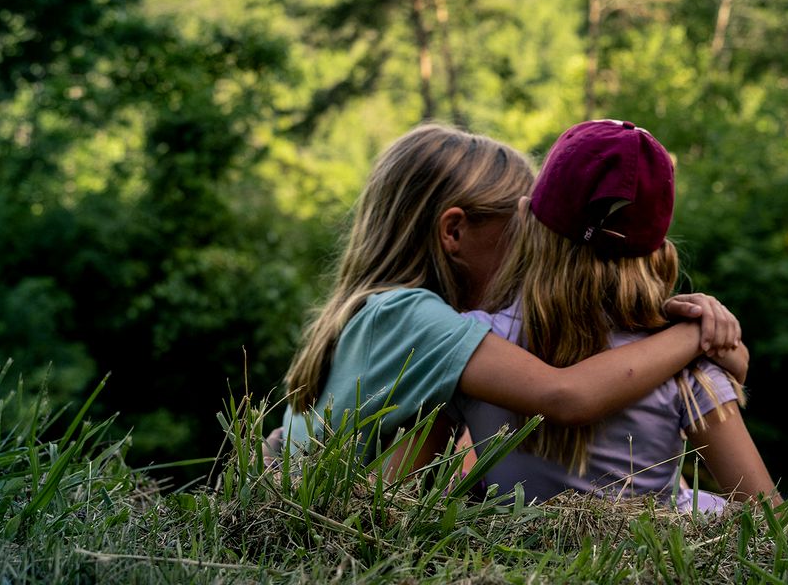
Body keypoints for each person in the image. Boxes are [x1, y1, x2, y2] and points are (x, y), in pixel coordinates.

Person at [279, 124, 745, 468]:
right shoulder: (415, 316)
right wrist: (690, 337)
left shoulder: (382, 312)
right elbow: (566, 395)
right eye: (521, 233)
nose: (532, 254)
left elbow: (451, 455)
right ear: (455, 231)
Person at [455, 119, 778, 511]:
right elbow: (765, 516)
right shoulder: (686, 368)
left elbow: (449, 475)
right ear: (659, 255)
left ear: (525, 219)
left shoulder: (475, 342)